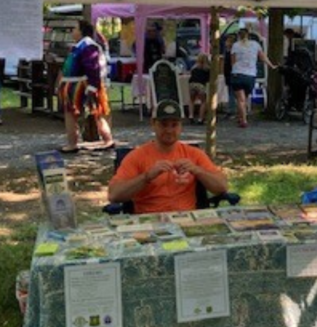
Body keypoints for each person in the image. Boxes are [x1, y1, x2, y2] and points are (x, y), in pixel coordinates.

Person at [108, 99, 228, 214]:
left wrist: (197, 170)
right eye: (164, 125)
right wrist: (147, 177)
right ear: (153, 124)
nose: (169, 130)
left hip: (186, 220)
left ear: (181, 126)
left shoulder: (194, 154)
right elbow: (114, 195)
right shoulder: (137, 156)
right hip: (149, 221)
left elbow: (222, 187)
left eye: (174, 125)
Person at [58, 20, 115, 153]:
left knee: (87, 113)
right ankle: (106, 140)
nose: (72, 31)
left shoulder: (88, 46)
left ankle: (75, 143)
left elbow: (93, 68)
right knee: (85, 113)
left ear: (81, 31)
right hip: (75, 84)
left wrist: (92, 88)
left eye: (75, 28)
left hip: (82, 85)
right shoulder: (81, 46)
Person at [229, 28, 276, 128]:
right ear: (248, 35)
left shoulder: (235, 45)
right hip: (250, 75)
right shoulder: (255, 44)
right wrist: (271, 65)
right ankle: (241, 117)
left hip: (237, 74)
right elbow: (263, 57)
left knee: (240, 100)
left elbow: (233, 61)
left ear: (238, 36)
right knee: (244, 99)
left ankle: (243, 120)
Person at [188, 53, 211, 124]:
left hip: (191, 84)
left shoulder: (194, 68)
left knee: (192, 101)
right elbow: (208, 79)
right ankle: (200, 119)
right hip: (201, 85)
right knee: (203, 102)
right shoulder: (207, 69)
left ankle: (191, 116)